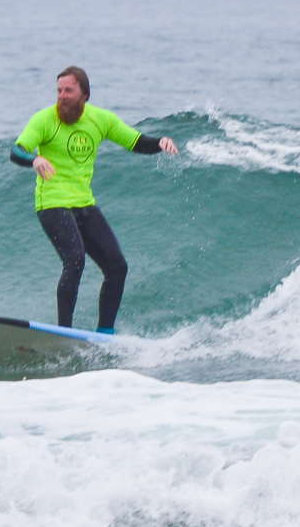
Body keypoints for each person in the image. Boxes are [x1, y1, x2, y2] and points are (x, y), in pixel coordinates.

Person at [9, 66, 178, 333]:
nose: (62, 96)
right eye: (59, 90)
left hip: (84, 203)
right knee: (75, 259)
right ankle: (63, 332)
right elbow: (16, 150)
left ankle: (105, 334)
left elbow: (135, 142)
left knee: (117, 266)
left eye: (69, 90)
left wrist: (160, 142)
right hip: (52, 203)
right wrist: (35, 158)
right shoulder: (44, 120)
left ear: (84, 94)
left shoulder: (101, 119)